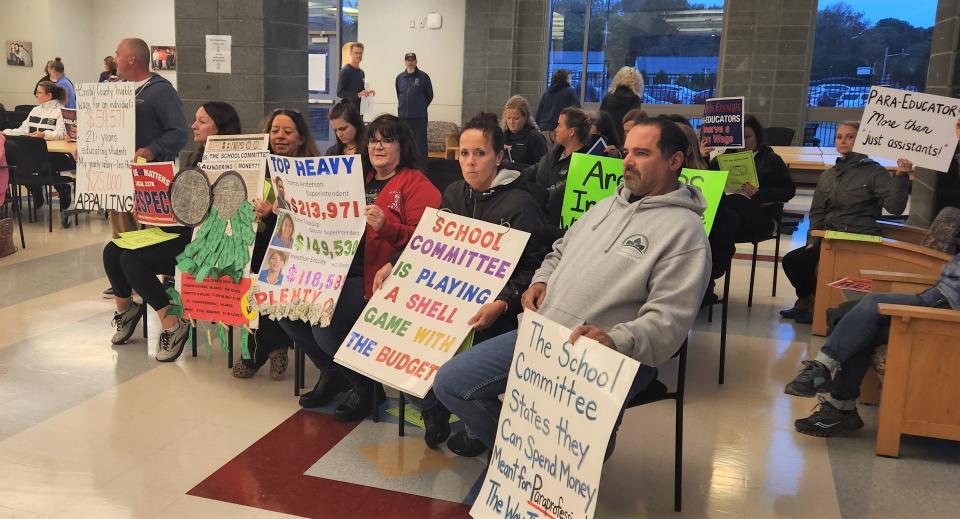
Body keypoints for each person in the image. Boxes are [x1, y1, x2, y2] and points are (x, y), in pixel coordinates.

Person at [433, 117, 712, 457]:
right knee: (451, 382)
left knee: (575, 445)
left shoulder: (685, 233)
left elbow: (670, 320)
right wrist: (540, 281)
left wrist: (617, 339)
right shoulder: (607, 206)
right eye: (626, 152)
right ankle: (521, 455)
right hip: (544, 333)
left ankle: (544, 470)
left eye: (641, 153)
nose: (627, 162)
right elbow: (559, 250)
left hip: (604, 354)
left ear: (675, 161)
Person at [373, 112, 549, 449]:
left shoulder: (521, 203)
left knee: (460, 362)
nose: (469, 162)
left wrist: (503, 302)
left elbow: (534, 268)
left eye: (480, 154)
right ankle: (432, 408)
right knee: (396, 341)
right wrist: (395, 263)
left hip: (497, 311)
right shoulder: (454, 193)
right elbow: (429, 242)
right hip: (449, 300)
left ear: (499, 156)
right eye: (464, 154)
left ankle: (476, 425)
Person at [277, 114, 440, 421]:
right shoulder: (355, 178)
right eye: (374, 140)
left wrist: (388, 226)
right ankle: (334, 372)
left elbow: (426, 243)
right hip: (334, 266)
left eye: (387, 140)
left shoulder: (416, 184)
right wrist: (289, 208)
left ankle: (365, 388)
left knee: (325, 326)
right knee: (285, 308)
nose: (378, 146)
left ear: (402, 146)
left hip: (380, 276)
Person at [104, 101, 241, 362]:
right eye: (196, 120)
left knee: (132, 260)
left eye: (202, 121)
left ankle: (172, 325)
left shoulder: (236, 162)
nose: (193, 125)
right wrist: (150, 202)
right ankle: (127, 310)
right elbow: (185, 205)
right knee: (114, 249)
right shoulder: (196, 156)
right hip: (184, 232)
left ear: (221, 127)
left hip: (210, 241)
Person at [785, 253, 959, 436]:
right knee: (861, 327)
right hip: (935, 298)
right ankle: (839, 404)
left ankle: (829, 382)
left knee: (869, 309)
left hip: (945, 311)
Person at [780, 121, 911, 324]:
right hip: (829, 238)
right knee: (793, 260)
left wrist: (901, 177)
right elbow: (817, 211)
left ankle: (816, 305)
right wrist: (813, 239)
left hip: (857, 238)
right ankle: (809, 300)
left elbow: (895, 207)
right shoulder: (829, 175)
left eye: (850, 136)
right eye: (839, 137)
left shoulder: (875, 172)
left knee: (806, 263)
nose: (843, 140)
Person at [231, 108, 321, 379]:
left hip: (302, 247)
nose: (280, 137)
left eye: (288, 131)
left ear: (302, 138)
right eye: (275, 131)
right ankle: (273, 346)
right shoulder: (259, 167)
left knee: (269, 268)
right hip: (262, 239)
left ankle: (260, 350)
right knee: (252, 267)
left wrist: (276, 211)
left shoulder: (311, 169)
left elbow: (312, 217)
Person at [109, 38, 190, 238]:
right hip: (118, 182)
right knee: (121, 242)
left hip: (149, 184)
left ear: (131, 58)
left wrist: (154, 149)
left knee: (148, 243)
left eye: (117, 54)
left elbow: (179, 132)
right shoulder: (117, 90)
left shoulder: (162, 91)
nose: (114, 59)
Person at [709, 115, 796, 243]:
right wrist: (703, 157)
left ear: (757, 137)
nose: (743, 142)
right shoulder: (725, 157)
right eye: (739, 138)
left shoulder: (770, 159)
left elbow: (788, 190)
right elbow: (708, 180)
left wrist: (759, 193)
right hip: (731, 216)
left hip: (762, 215)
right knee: (719, 225)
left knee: (730, 210)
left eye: (747, 137)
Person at [526, 107, 604, 240]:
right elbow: (534, 170)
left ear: (571, 132)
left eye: (560, 125)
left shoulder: (587, 163)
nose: (555, 129)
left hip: (561, 232)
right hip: (540, 221)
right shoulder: (554, 153)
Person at [3, 81, 73, 218]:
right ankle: (35, 189)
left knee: (34, 164)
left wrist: (44, 135)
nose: (36, 95)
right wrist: (6, 132)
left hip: (52, 154)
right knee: (19, 164)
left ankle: (62, 188)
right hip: (32, 152)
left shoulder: (60, 111)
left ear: (49, 95)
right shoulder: (35, 110)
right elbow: (23, 130)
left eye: (39, 92)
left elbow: (60, 133)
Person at [395, 51, 433, 158]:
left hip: (419, 117)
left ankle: (422, 167)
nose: (410, 62)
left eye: (412, 60)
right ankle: (405, 165)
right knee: (404, 142)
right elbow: (399, 95)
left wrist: (420, 106)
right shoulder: (399, 78)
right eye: (408, 60)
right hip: (403, 117)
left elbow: (429, 95)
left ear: (416, 62)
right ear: (405, 62)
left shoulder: (424, 77)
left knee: (420, 144)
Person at [599, 66, 643, 144]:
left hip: (608, 139)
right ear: (637, 81)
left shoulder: (608, 97)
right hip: (625, 139)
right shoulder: (635, 99)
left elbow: (600, 119)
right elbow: (635, 121)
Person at [535, 69, 580, 143]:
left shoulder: (547, 93)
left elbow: (538, 113)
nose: (571, 81)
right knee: (559, 154)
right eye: (569, 78)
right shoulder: (570, 91)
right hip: (560, 130)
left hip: (543, 129)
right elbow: (577, 111)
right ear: (565, 79)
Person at [502, 95, 548, 168]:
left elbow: (543, 168)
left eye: (516, 118)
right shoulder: (502, 137)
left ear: (525, 117)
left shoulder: (536, 138)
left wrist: (514, 166)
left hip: (526, 178)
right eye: (508, 118)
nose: (511, 122)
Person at [337, 42, 374, 113]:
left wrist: (368, 93)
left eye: (360, 53)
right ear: (351, 53)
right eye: (356, 53)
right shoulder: (345, 71)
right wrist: (358, 94)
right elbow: (340, 93)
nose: (358, 55)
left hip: (360, 110)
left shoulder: (361, 72)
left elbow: (360, 90)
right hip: (348, 112)